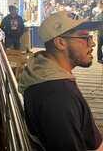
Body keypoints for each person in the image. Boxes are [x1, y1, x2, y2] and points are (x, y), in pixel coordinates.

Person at [19, 11, 103, 151]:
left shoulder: (44, 74)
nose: (93, 43)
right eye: (85, 37)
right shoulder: (58, 97)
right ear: (60, 42)